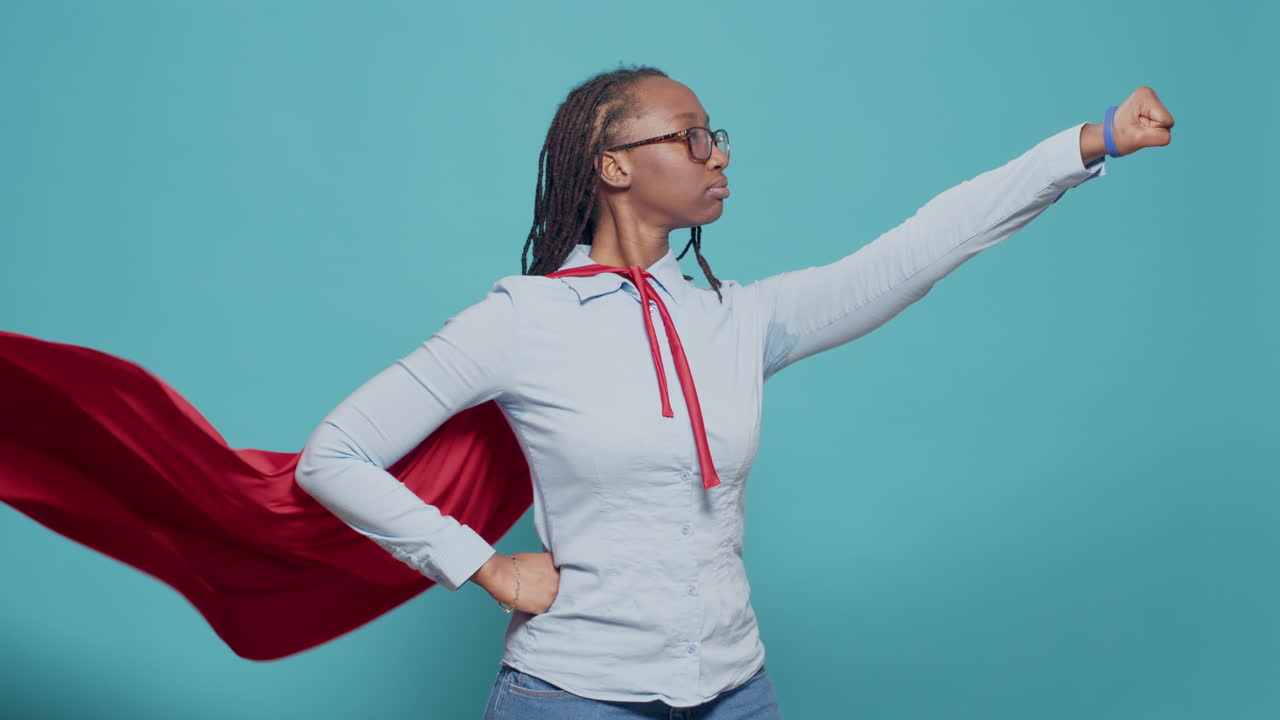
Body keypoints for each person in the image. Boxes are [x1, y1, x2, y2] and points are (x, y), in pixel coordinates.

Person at [0, 64, 1174, 718]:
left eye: (720, 134)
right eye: (692, 135)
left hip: (735, 685)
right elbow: (332, 457)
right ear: (615, 165)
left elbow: (913, 249)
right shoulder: (522, 322)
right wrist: (479, 560)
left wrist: (1080, 148)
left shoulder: (737, 317)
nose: (719, 152)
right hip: (573, 696)